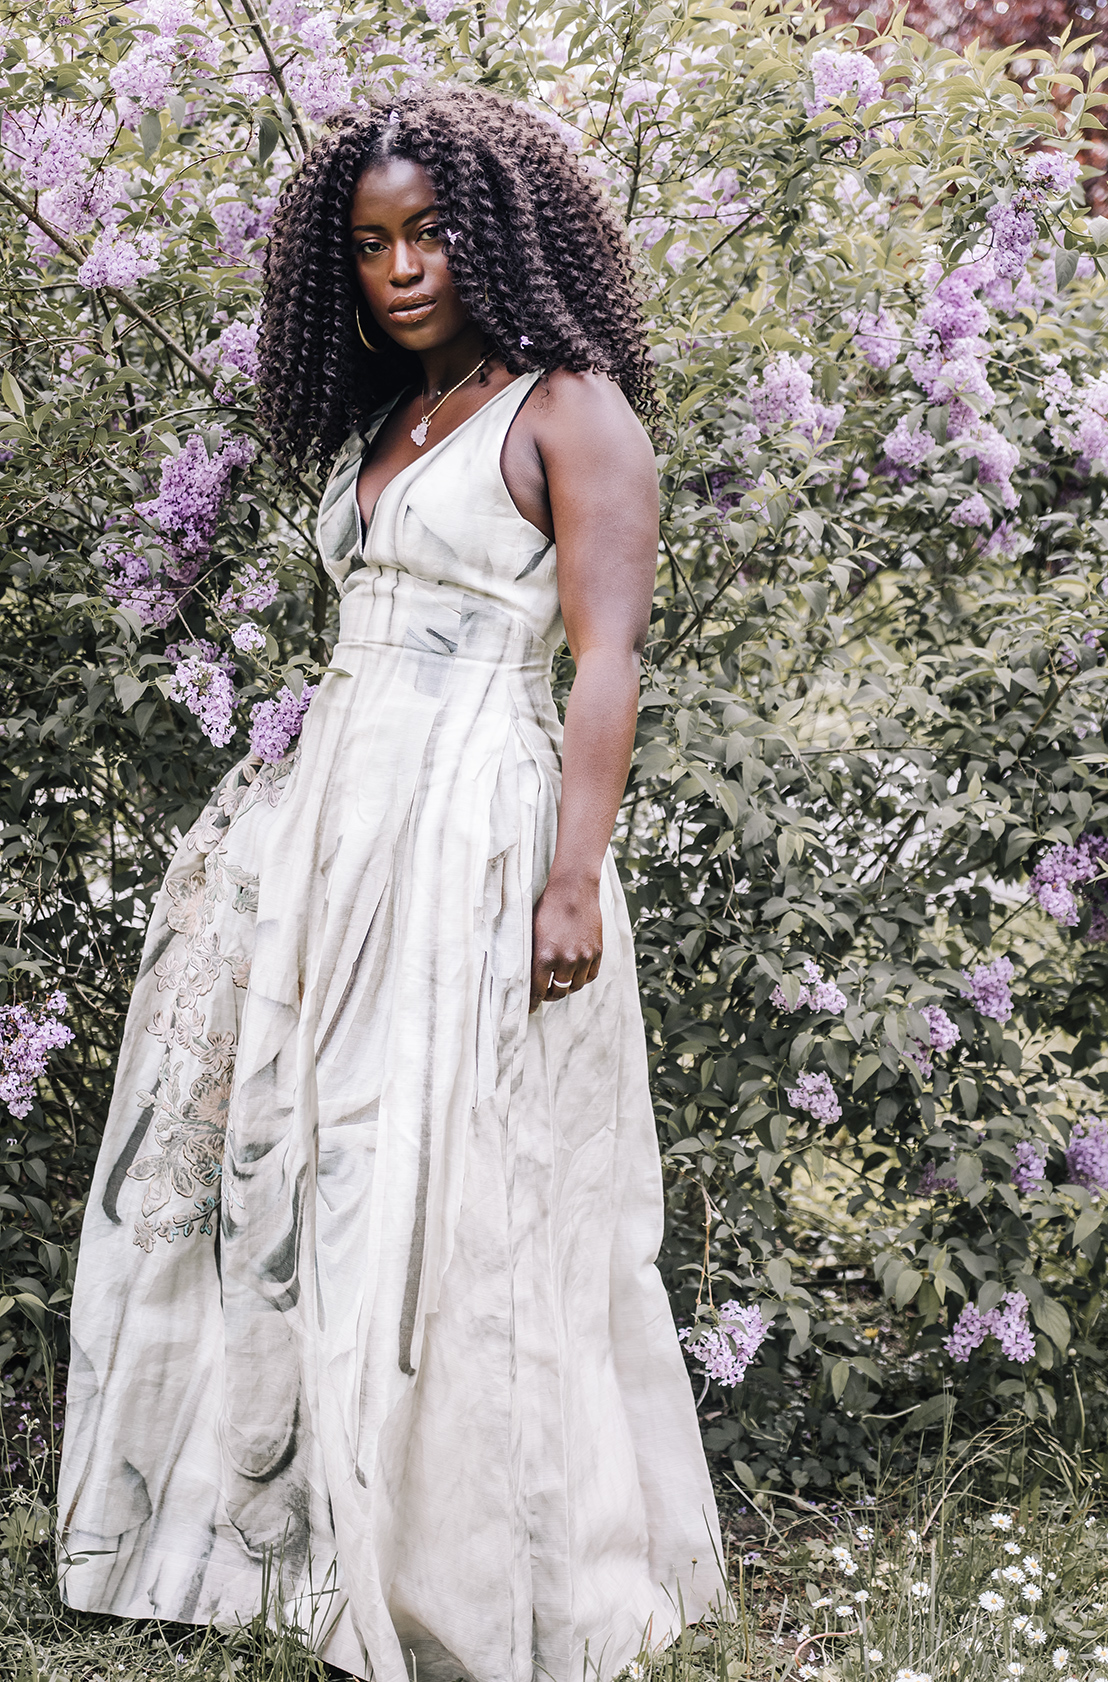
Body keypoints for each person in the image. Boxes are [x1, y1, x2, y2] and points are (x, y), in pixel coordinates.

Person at [57, 85, 723, 1682]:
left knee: (453, 1170)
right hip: (337, 822)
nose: (403, 267)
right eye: (370, 245)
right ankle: (289, 1535)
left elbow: (606, 660)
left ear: (496, 235)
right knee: (315, 1161)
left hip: (472, 824)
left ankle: (469, 1558)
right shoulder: (386, 422)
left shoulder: (572, 410)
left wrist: (575, 880)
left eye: (430, 233)